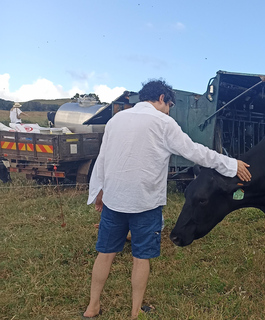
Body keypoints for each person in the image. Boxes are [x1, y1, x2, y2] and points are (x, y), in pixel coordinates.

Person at [83, 79, 251, 319]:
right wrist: (231, 164)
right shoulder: (163, 122)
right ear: (162, 98)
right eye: (170, 104)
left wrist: (98, 191)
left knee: (105, 253)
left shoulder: (116, 120)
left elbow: (103, 158)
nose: (169, 109)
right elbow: (195, 151)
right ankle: (134, 313)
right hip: (146, 203)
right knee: (141, 258)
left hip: (114, 200)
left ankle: (92, 307)